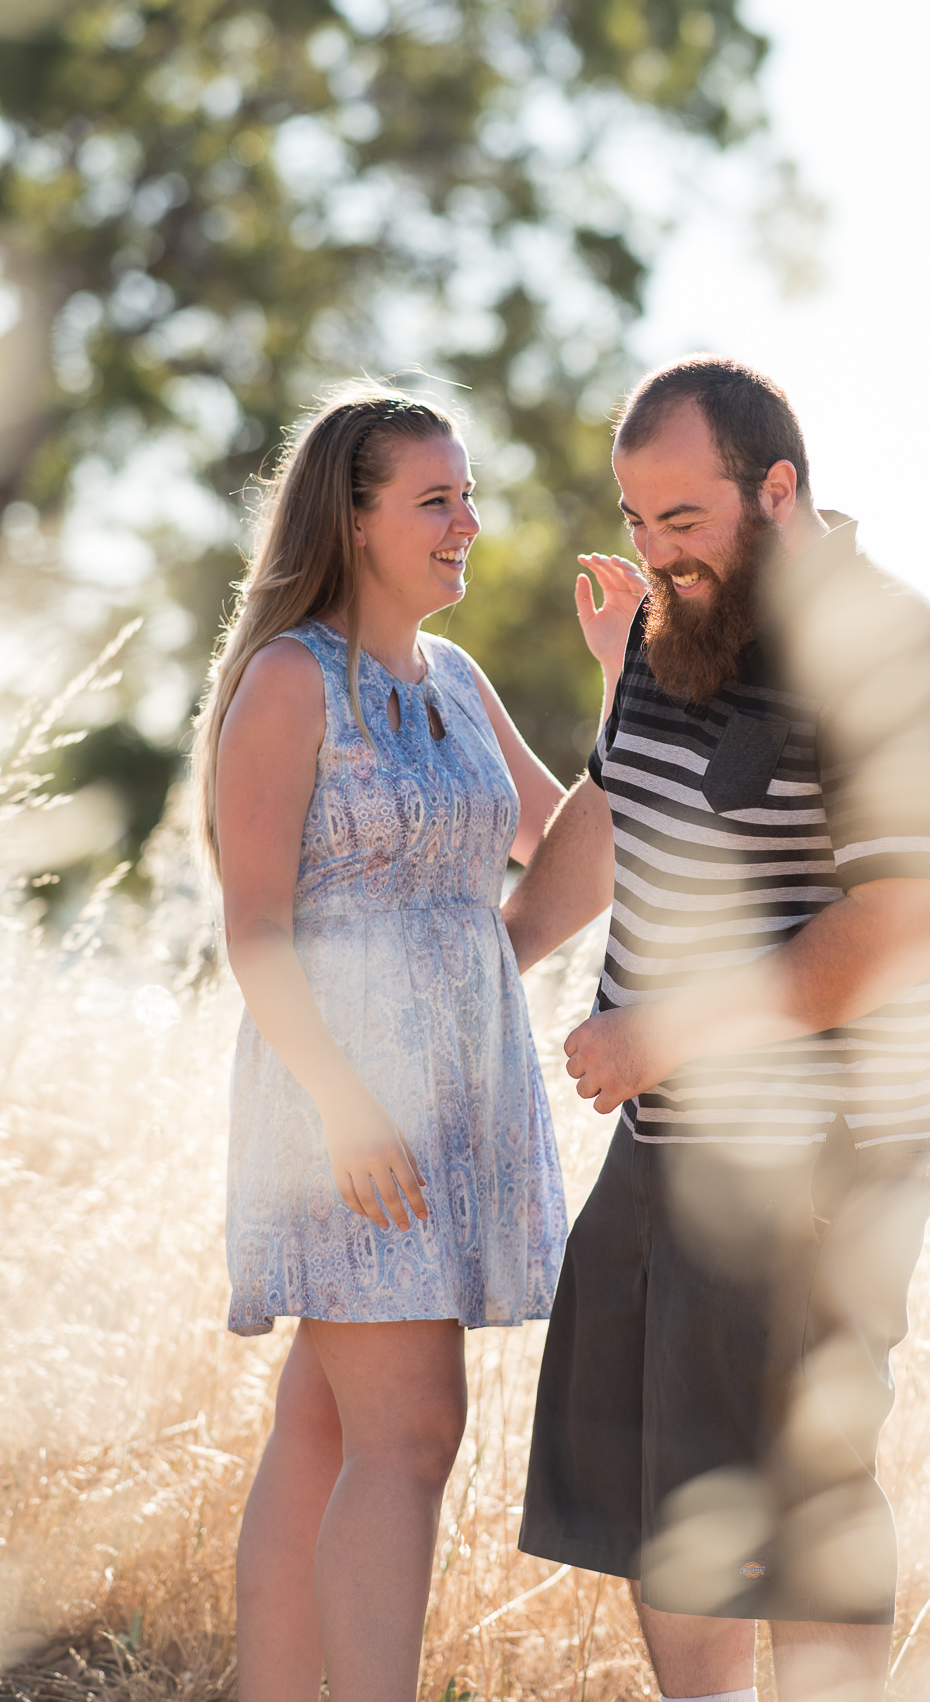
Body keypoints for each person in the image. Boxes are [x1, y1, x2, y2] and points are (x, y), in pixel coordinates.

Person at [505, 357, 930, 1702]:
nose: (656, 553)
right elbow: (619, 802)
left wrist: (668, 1035)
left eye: (685, 522)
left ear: (777, 490)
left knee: (806, 1516)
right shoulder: (669, 632)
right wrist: (504, 955)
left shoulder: (886, 651)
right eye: (638, 522)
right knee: (678, 1508)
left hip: (821, 1163)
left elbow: (897, 929)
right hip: (670, 1148)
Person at [191, 386, 640, 1702]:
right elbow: (257, 930)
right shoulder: (287, 683)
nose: (470, 524)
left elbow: (566, 856)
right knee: (413, 1430)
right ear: (357, 517)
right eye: (436, 500)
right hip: (345, 1105)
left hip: (452, 1099)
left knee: (327, 1427)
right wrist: (344, 1109)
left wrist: (625, 693)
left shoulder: (450, 678)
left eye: (468, 495)